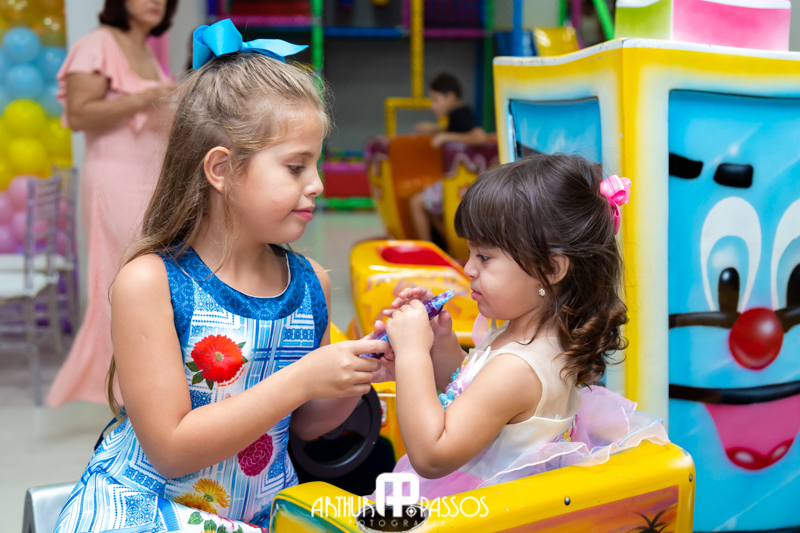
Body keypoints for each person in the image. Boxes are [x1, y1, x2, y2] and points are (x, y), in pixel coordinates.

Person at [52, 21, 392, 532]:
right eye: (296, 167)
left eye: (316, 165)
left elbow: (302, 424)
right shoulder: (152, 284)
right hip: (145, 511)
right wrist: (300, 378)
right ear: (221, 170)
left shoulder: (309, 285)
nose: (318, 184)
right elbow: (170, 449)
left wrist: (359, 371)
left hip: (254, 515)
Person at [375, 154, 668, 499]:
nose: (468, 269)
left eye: (484, 257)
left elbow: (432, 455)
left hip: (470, 511)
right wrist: (439, 342)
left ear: (552, 269)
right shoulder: (528, 337)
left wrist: (412, 354)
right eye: (470, 252)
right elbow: (474, 400)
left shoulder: (518, 368)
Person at [47, 0, 179, 406]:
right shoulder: (97, 44)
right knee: (128, 279)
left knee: (144, 278)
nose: (156, 1)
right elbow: (79, 113)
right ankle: (127, 389)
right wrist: (147, 97)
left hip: (150, 183)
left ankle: (141, 383)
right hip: (116, 181)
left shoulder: (147, 51)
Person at [410, 73, 488, 242]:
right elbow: (457, 129)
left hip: (459, 184)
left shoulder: (461, 113)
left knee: (416, 203)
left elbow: (480, 137)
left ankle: (428, 250)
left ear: (450, 97)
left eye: (435, 100)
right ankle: (449, 245)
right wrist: (435, 128)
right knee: (429, 209)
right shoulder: (457, 114)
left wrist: (446, 137)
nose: (432, 106)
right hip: (457, 182)